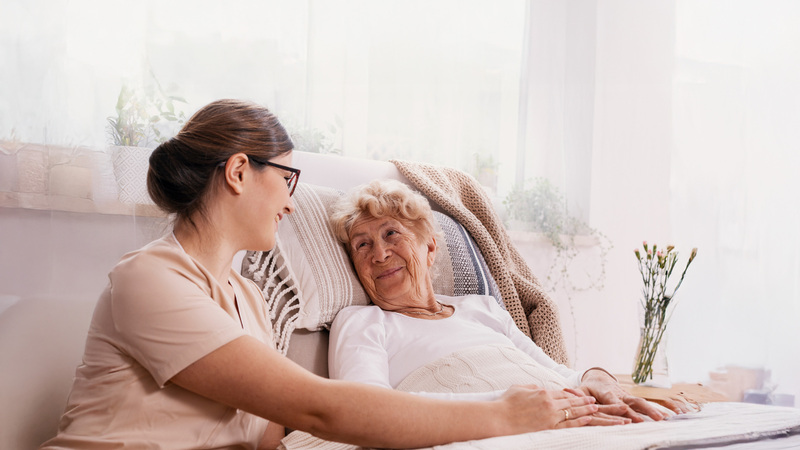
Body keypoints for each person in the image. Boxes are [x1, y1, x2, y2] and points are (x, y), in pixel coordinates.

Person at [41, 99, 610, 450]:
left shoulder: (248, 300)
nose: (292, 204)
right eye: (288, 180)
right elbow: (319, 407)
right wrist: (501, 416)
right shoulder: (151, 280)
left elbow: (272, 438)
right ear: (239, 171)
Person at [328, 179, 694, 425]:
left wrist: (599, 378)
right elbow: (367, 414)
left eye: (392, 234)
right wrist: (505, 409)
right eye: (362, 244)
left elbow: (559, 375)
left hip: (562, 423)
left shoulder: (482, 309)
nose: (379, 254)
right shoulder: (361, 323)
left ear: (430, 247)